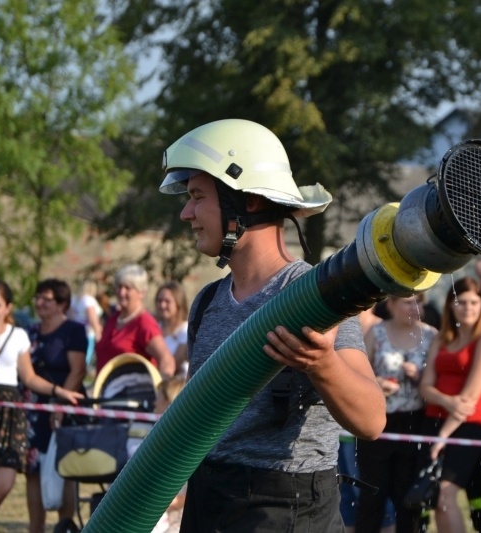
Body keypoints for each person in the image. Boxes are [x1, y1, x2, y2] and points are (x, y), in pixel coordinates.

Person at [158, 118, 386, 531]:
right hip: (209, 502)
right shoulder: (206, 303)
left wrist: (323, 365)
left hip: (286, 510)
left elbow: (372, 420)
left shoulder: (316, 298)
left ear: (245, 201)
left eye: (196, 197)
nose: (185, 213)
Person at [0, 279, 83, 533]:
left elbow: (29, 378)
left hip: (9, 412)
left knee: (4, 483)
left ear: (8, 307)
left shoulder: (19, 336)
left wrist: (59, 391)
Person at [419, 276, 481, 533]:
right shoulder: (442, 338)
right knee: (435, 500)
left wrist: (443, 437)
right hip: (433, 420)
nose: (468, 308)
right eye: (461, 302)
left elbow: (469, 399)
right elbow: (425, 388)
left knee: (446, 493)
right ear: (451, 306)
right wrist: (445, 400)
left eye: (474, 302)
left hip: (468, 427)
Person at [355, 295, 437, 533]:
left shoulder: (431, 335)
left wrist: (420, 378)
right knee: (372, 494)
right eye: (408, 302)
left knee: (409, 497)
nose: (415, 308)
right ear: (390, 304)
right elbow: (360, 373)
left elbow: (438, 380)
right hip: (378, 422)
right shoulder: (376, 332)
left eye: (419, 302)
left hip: (415, 422)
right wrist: (378, 382)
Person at [24, 279, 88, 533]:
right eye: (37, 297)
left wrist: (62, 405)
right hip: (34, 410)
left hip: (65, 406)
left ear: (62, 303)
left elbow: (79, 370)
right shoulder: (30, 331)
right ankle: (35, 528)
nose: (39, 303)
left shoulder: (73, 330)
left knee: (65, 470)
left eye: (46, 299)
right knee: (33, 470)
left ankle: (64, 526)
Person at [95, 264, 175, 379]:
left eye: (128, 288)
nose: (122, 292)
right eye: (119, 287)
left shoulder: (144, 323)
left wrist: (161, 393)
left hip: (132, 394)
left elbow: (167, 361)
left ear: (141, 292)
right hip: (106, 393)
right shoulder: (114, 319)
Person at [151, 375, 188, 533]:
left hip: (177, 522)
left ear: (170, 402)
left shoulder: (187, 448)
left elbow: (186, 497)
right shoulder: (159, 441)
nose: (155, 403)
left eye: (160, 398)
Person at [154, 281, 190, 377]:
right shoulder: (154, 327)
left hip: (178, 384)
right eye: (159, 301)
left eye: (167, 301)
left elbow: (175, 363)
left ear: (178, 303)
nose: (162, 305)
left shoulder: (185, 330)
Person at [69, 279, 103, 367]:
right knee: (84, 361)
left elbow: (71, 317)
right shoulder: (89, 300)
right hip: (87, 333)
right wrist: (98, 334)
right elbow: (92, 318)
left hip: (73, 332)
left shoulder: (74, 299)